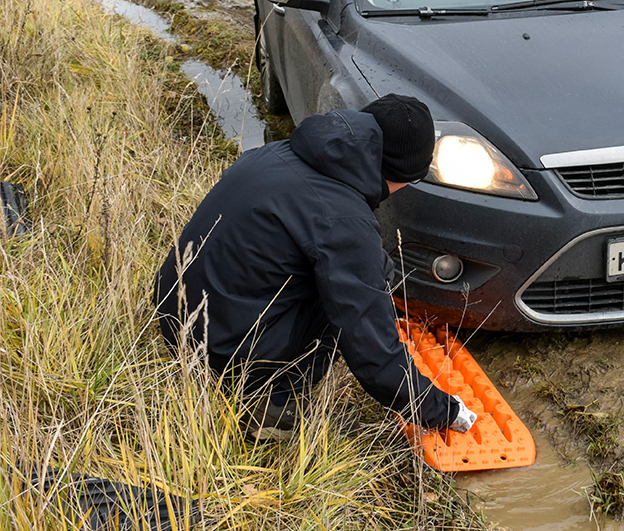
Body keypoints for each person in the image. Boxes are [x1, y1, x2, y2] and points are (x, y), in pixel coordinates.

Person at [154, 95, 476, 440]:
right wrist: (442, 410)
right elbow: (371, 350)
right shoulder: (342, 218)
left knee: (364, 273)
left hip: (174, 309)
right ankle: (272, 405)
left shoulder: (279, 153)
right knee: (346, 302)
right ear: (403, 174)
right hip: (219, 347)